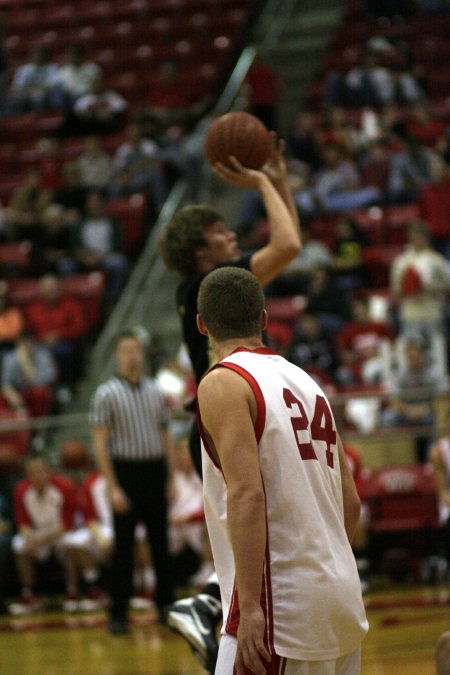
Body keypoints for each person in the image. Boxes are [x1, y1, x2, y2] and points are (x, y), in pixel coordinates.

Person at [160, 138, 301, 671]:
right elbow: (288, 246)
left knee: (241, 523)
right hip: (226, 413)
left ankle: (209, 598)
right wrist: (264, 181)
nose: (232, 234)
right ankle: (215, 603)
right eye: (221, 232)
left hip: (225, 410)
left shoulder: (195, 287)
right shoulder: (207, 286)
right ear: (202, 249)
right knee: (250, 511)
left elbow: (291, 242)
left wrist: (279, 178)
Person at [195, 267, 368, 674]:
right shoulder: (307, 381)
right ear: (264, 319)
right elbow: (351, 501)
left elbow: (247, 495)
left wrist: (252, 606)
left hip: (281, 606)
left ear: (202, 325)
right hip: (341, 596)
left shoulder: (224, 383)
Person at [90, 329, 174, 634]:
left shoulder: (155, 390)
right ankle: (118, 613)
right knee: (124, 548)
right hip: (125, 472)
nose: (132, 355)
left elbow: (165, 434)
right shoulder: (106, 393)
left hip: (154, 470)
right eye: (126, 350)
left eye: (136, 349)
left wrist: (172, 476)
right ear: (117, 355)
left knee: (160, 544)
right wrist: (112, 486)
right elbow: (100, 443)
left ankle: (166, 607)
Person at [9, 455, 80, 614]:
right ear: (27, 475)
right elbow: (22, 522)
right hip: (37, 532)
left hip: (60, 531)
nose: (38, 476)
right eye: (33, 472)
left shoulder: (65, 487)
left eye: (41, 471)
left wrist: (43, 538)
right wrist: (29, 536)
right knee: (19, 545)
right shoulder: (21, 490)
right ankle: (29, 594)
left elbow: (68, 524)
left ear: (50, 472)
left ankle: (72, 592)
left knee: (71, 543)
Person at [25, 274, 88, 390]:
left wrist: (59, 334)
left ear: (59, 288)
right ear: (41, 290)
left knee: (63, 352)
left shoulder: (70, 304)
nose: (50, 291)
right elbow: (27, 331)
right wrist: (40, 339)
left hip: (64, 342)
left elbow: (80, 327)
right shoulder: (33, 308)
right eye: (47, 288)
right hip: (38, 344)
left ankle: (65, 386)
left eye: (53, 288)